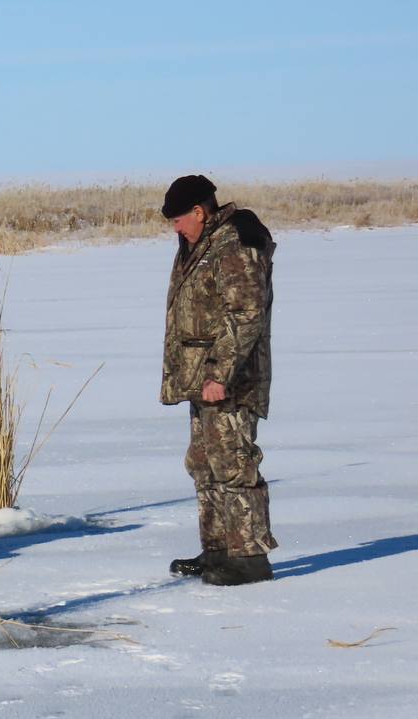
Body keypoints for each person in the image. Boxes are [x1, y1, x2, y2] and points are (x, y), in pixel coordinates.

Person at [160, 175, 277, 586]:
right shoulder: (200, 245)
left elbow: (245, 315)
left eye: (178, 219)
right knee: (204, 462)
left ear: (199, 211)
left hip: (231, 379)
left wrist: (219, 374)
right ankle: (218, 550)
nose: (174, 228)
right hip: (202, 376)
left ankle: (249, 557)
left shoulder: (235, 245)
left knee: (233, 462)